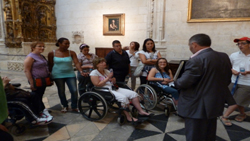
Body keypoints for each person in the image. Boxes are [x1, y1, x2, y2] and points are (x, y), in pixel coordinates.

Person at [174, 33, 232, 141]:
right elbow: (227, 78)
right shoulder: (223, 56)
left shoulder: (196, 60)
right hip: (214, 102)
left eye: (189, 45)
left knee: (194, 135)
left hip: (196, 105)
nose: (190, 48)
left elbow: (184, 82)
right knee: (209, 133)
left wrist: (175, 82)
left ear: (194, 44)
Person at [90, 58, 152, 124]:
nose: (104, 63)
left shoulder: (106, 71)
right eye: (101, 62)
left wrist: (113, 80)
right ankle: (129, 117)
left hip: (112, 87)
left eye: (104, 62)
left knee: (133, 94)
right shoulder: (94, 73)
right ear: (97, 65)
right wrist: (108, 78)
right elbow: (97, 84)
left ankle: (141, 111)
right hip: (103, 90)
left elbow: (113, 81)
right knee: (123, 98)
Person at [48, 37, 84, 113]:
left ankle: (74, 106)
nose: (67, 45)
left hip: (70, 74)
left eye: (68, 44)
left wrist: (80, 71)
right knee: (61, 91)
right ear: (59, 43)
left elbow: (76, 63)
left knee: (74, 90)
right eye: (65, 43)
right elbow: (50, 65)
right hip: (57, 75)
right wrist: (49, 75)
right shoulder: (52, 53)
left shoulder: (72, 52)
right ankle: (65, 105)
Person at [221, 37, 250, 126]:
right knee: (234, 99)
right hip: (234, 81)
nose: (240, 46)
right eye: (239, 44)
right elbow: (228, 66)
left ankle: (224, 116)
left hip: (247, 82)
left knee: (237, 100)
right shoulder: (234, 55)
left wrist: (248, 72)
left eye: (243, 43)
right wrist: (232, 70)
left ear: (249, 44)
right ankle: (242, 114)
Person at [24, 41, 53, 119]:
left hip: (43, 79)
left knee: (39, 96)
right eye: (39, 46)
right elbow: (27, 70)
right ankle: (38, 111)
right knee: (36, 96)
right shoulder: (30, 57)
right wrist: (31, 83)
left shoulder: (41, 56)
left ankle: (40, 109)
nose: (42, 48)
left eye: (43, 46)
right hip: (35, 80)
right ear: (33, 47)